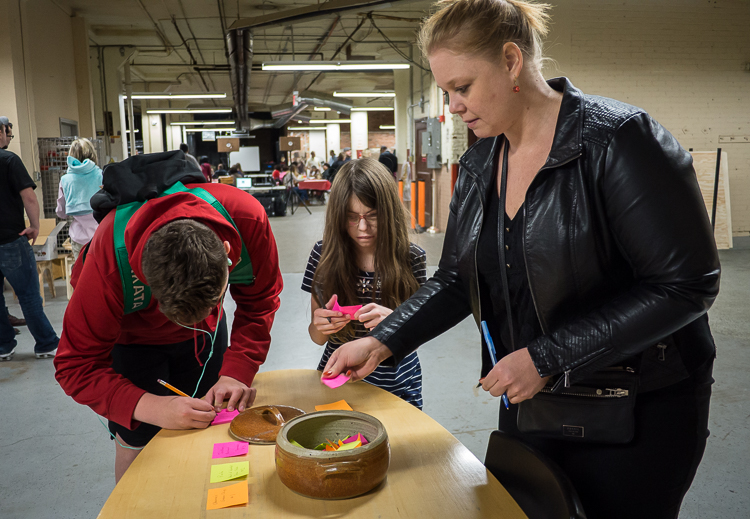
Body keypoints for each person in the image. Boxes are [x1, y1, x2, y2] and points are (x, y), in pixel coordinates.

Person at [320, 2, 720, 518]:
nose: (454, 106)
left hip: (636, 407)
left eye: (462, 87)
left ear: (511, 60)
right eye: (446, 92)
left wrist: (546, 357)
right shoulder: (482, 161)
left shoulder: (619, 141)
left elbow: (687, 284)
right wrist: (384, 339)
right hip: (534, 400)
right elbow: (455, 278)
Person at [54, 151, 283, 482]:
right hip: (133, 341)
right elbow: (74, 365)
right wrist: (148, 406)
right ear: (142, 277)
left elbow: (259, 301)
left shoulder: (246, 219)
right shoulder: (109, 258)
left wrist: (238, 370)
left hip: (205, 338)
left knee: (209, 431)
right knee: (137, 444)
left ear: (227, 254)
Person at [303, 158, 426, 408]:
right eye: (351, 217)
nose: (363, 227)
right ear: (338, 217)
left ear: (389, 212)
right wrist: (321, 325)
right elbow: (316, 337)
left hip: (396, 383)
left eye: (373, 216)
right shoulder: (323, 255)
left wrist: (395, 323)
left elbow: (419, 332)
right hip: (340, 380)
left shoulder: (412, 258)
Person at [0, 116, 60, 361]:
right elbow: (30, 198)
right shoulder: (9, 160)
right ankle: (45, 343)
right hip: (11, 240)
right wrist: (35, 225)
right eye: (8, 132)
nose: (8, 137)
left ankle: (4, 346)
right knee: (28, 295)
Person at [56, 138, 103, 261]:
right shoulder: (101, 175)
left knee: (82, 276)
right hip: (101, 236)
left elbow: (61, 212)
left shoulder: (65, 180)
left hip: (79, 237)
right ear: (93, 154)